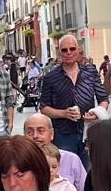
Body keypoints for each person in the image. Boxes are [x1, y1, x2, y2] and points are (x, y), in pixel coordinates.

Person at [38, 33, 106, 161]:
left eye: (72, 49)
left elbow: (103, 99)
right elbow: (44, 108)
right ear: (59, 53)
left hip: (88, 132)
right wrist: (64, 113)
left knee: (89, 172)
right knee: (67, 173)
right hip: (63, 134)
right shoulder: (50, 77)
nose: (68, 52)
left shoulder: (90, 71)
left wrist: (97, 113)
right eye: (64, 50)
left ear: (78, 50)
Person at [23, 113, 85, 189]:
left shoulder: (71, 159)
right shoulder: (19, 161)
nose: (35, 136)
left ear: (52, 134)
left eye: (41, 131)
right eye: (30, 132)